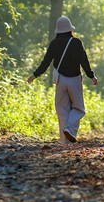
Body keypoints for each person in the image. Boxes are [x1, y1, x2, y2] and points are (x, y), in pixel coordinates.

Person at [27, 16, 98, 144]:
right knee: (79, 109)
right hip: (75, 80)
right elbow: (84, 61)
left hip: (60, 80)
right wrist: (91, 76)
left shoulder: (54, 43)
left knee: (62, 110)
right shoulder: (76, 42)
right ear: (70, 29)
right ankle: (70, 129)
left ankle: (64, 142)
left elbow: (46, 62)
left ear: (58, 30)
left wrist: (35, 75)